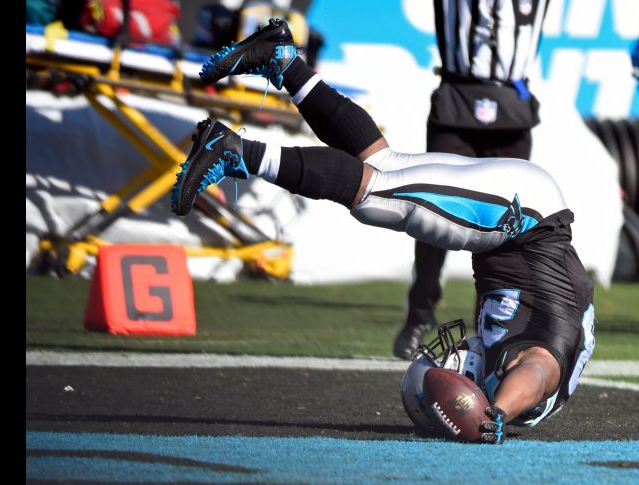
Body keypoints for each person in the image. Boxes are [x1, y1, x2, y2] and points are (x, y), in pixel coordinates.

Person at [172, 19, 595, 444]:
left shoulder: (505, 371)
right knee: (380, 199)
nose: (444, 355)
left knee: (384, 164)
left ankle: (281, 60)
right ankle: (236, 152)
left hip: (524, 206)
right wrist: (498, 413)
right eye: (444, 369)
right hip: (524, 217)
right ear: (469, 393)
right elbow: (539, 373)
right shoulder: (531, 379)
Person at [394, 0, 550, 360]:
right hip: (456, 102)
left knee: (507, 224)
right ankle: (419, 315)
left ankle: (492, 322)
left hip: (512, 106)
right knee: (433, 212)